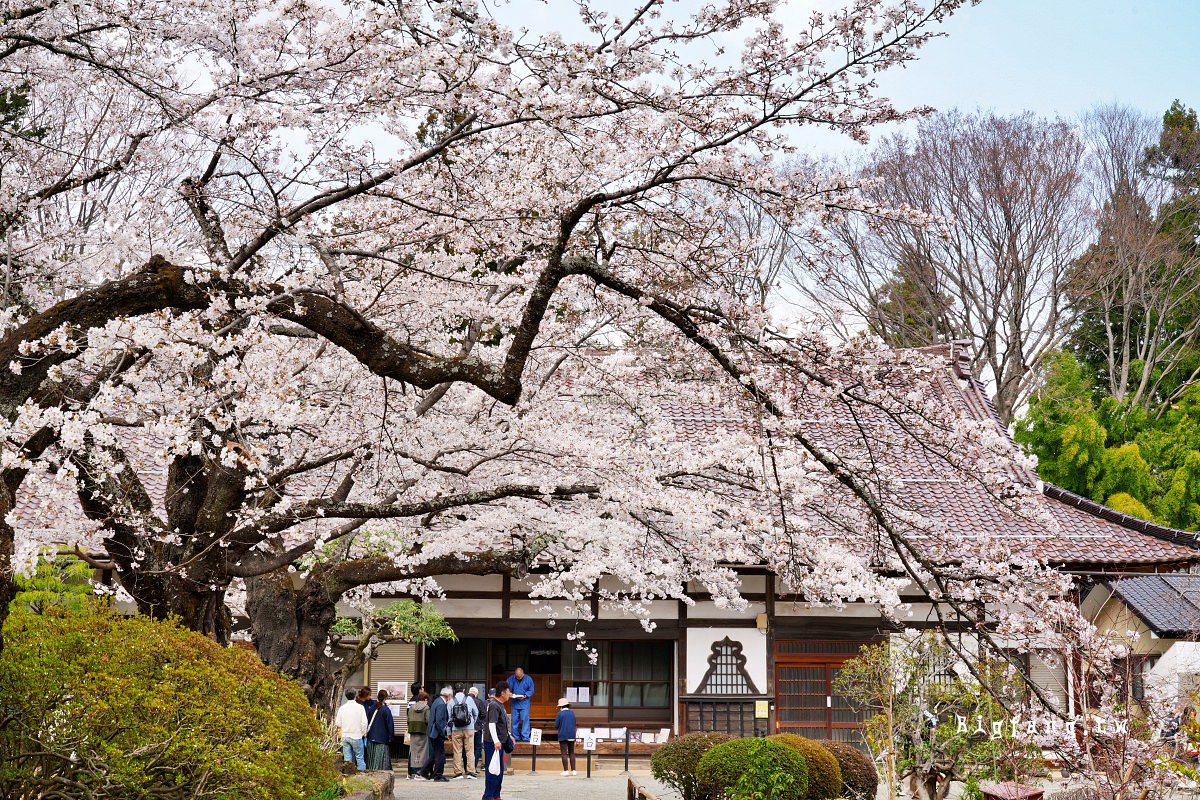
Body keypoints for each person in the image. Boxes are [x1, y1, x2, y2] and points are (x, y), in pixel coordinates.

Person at [482, 683, 514, 800]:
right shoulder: (494, 705)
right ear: (502, 693)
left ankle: (496, 795)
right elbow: (492, 724)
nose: (510, 694)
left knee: (499, 771)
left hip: (500, 742)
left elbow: (502, 724)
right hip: (493, 743)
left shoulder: (500, 705)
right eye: (508, 692)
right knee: (492, 771)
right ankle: (488, 796)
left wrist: (509, 735)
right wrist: (496, 741)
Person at [421, 686, 453, 782]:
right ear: (448, 696)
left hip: (432, 731)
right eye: (451, 696)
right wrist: (444, 732)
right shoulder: (441, 704)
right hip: (437, 732)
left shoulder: (437, 701)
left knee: (436, 753)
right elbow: (439, 721)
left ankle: (424, 771)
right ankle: (438, 775)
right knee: (440, 754)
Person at [449, 683, 479, 779]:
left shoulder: (451, 701)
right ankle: (470, 772)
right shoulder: (469, 699)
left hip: (456, 728)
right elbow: (476, 713)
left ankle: (458, 773)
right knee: (470, 751)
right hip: (469, 728)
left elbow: (449, 717)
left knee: (457, 751)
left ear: (454, 691)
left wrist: (449, 731)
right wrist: (472, 723)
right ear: (463, 690)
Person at [335, 688, 369, 772]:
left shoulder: (342, 708)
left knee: (347, 758)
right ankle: (362, 775)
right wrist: (362, 732)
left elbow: (337, 723)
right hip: (356, 735)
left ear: (346, 696)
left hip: (345, 736)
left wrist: (344, 726)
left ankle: (348, 775)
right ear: (355, 696)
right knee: (360, 758)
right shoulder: (360, 707)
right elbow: (364, 723)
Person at [366, 689, 395, 771]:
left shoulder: (372, 708)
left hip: (371, 737)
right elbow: (390, 725)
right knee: (381, 761)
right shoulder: (386, 710)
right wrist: (391, 737)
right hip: (382, 739)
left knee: (371, 760)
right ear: (386, 698)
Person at [506, 666, 534, 742]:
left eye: (520, 677)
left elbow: (531, 690)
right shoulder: (511, 679)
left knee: (525, 720)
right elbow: (506, 688)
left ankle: (525, 737)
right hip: (515, 702)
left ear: (523, 674)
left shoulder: (528, 679)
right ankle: (515, 737)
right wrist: (509, 693)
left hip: (524, 703)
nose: (518, 678)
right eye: (517, 677)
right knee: (514, 721)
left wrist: (525, 695)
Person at [407, 690, 431, 780]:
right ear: (425, 699)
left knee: (414, 751)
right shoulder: (426, 708)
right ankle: (420, 771)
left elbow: (408, 719)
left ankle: (413, 771)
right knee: (423, 751)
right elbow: (428, 720)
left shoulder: (412, 707)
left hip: (413, 730)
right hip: (423, 731)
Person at [554, 697, 577, 776]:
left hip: (563, 735)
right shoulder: (572, 713)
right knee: (572, 752)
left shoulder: (560, 714)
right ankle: (574, 771)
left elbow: (556, 725)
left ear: (560, 706)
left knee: (564, 753)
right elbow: (574, 723)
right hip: (572, 735)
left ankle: (566, 771)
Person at [469, 686, 486, 773]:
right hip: (477, 727)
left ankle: (467, 768)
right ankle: (473, 768)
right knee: (477, 748)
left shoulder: (465, 701)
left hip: (466, 728)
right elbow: (484, 714)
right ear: (476, 694)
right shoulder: (479, 702)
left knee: (468, 748)